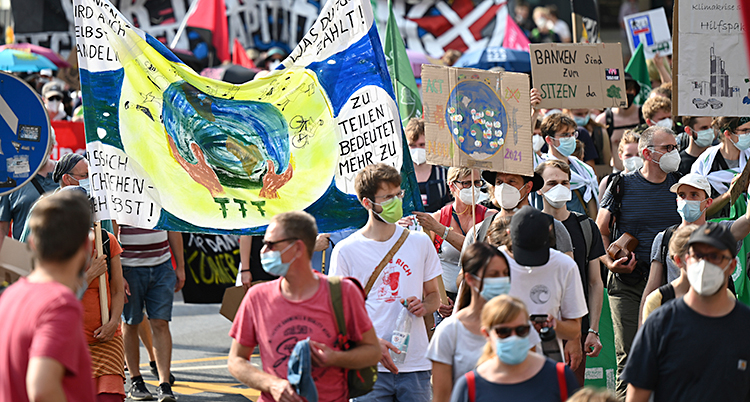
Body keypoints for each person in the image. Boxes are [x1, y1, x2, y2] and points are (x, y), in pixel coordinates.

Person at [227, 211, 380, 402]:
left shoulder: (343, 292)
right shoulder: (257, 296)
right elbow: (236, 360)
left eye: (271, 244)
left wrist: (335, 358)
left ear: (298, 248)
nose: (263, 251)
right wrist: (271, 384)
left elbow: (373, 352)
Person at [329, 163, 441, 402]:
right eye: (388, 197)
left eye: (398, 194)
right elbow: (338, 314)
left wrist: (425, 306)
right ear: (367, 203)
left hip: (415, 365)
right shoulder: (345, 251)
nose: (396, 201)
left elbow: (434, 296)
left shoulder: (420, 242)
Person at [595, 126, 681, 399]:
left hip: (671, 285)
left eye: (674, 147)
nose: (673, 153)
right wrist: (610, 263)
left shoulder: (682, 186)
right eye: (667, 148)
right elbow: (601, 229)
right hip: (629, 284)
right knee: (629, 360)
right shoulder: (621, 184)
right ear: (647, 153)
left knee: (672, 357)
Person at [622, 222, 750, 402]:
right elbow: (637, 396)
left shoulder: (745, 326)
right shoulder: (660, 324)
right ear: (682, 261)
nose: (706, 264)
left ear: (731, 266)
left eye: (715, 256)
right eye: (698, 255)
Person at [0, 190, 96, 402]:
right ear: (86, 246)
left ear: (32, 242)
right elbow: (42, 388)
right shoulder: (60, 304)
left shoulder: (10, 296)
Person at [640, 173, 750, 321]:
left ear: (708, 202)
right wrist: (643, 330)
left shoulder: (720, 233)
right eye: (682, 195)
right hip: (677, 318)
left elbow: (748, 221)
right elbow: (652, 287)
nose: (687, 200)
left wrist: (748, 186)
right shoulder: (664, 238)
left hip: (715, 316)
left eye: (694, 195)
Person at [536, 160, 605, 385]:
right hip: (537, 330)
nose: (559, 187)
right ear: (538, 188)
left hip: (577, 329)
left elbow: (595, 282)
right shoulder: (528, 227)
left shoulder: (586, 226)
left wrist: (592, 329)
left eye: (565, 182)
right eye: (552, 183)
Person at [501, 206, 588, 371]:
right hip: (502, 363)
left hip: (547, 365)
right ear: (508, 234)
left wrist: (555, 325)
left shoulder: (565, 265)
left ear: (550, 233)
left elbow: (574, 329)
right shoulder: (494, 263)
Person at [449, 295, 580, 402]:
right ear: (487, 334)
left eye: (521, 330)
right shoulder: (469, 386)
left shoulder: (559, 376)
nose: (514, 337)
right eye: (503, 331)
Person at [405, 167, 488, 305]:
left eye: (477, 182)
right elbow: (422, 265)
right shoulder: (438, 218)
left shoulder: (489, 217)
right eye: (466, 183)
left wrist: (441, 230)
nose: (473, 188)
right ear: (452, 185)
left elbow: (477, 251)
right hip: (446, 299)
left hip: (480, 299)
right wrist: (436, 300)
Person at [120, 227, 185, 402]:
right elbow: (113, 228)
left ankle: (164, 384)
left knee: (161, 323)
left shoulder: (161, 197)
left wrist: (180, 266)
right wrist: (117, 272)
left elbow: (172, 227)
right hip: (129, 267)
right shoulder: (120, 198)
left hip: (161, 265)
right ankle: (136, 380)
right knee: (130, 322)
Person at [464, 169, 574, 260]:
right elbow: (462, 278)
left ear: (528, 187)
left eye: (512, 181)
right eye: (499, 182)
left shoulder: (552, 227)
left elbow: (567, 274)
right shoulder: (479, 231)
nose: (504, 187)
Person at [536, 113, 599, 217]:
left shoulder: (583, 169)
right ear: (549, 139)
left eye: (573, 134)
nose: (570, 138)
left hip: (581, 228)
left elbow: (592, 204)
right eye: (565, 135)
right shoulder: (541, 168)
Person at [0, 138, 57, 248]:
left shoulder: (68, 174)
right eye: (30, 146)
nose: (34, 150)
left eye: (41, 146)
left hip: (62, 257)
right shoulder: (10, 178)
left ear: (51, 148)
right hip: (24, 257)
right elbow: (2, 228)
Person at [691, 116, 750, 219]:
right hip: (716, 232)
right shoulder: (705, 163)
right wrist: (729, 194)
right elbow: (696, 211)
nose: (748, 134)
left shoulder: (748, 156)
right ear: (728, 134)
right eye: (745, 130)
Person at [641, 224, 698, 322]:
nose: (704, 261)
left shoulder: (723, 296)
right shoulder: (658, 300)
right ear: (678, 260)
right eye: (696, 255)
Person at [595, 73, 645, 171]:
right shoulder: (604, 120)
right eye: (622, 90)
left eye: (629, 89)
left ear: (634, 92)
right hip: (617, 173)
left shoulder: (644, 115)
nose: (626, 94)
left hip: (644, 173)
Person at [406, 118, 451, 212]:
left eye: (422, 145)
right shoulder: (400, 176)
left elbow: (453, 202)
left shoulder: (444, 175)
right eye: (412, 145)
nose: (417, 149)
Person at [598, 131, 641, 198]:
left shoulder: (653, 181)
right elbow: (601, 207)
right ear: (620, 156)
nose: (634, 158)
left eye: (638, 155)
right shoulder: (608, 182)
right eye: (628, 155)